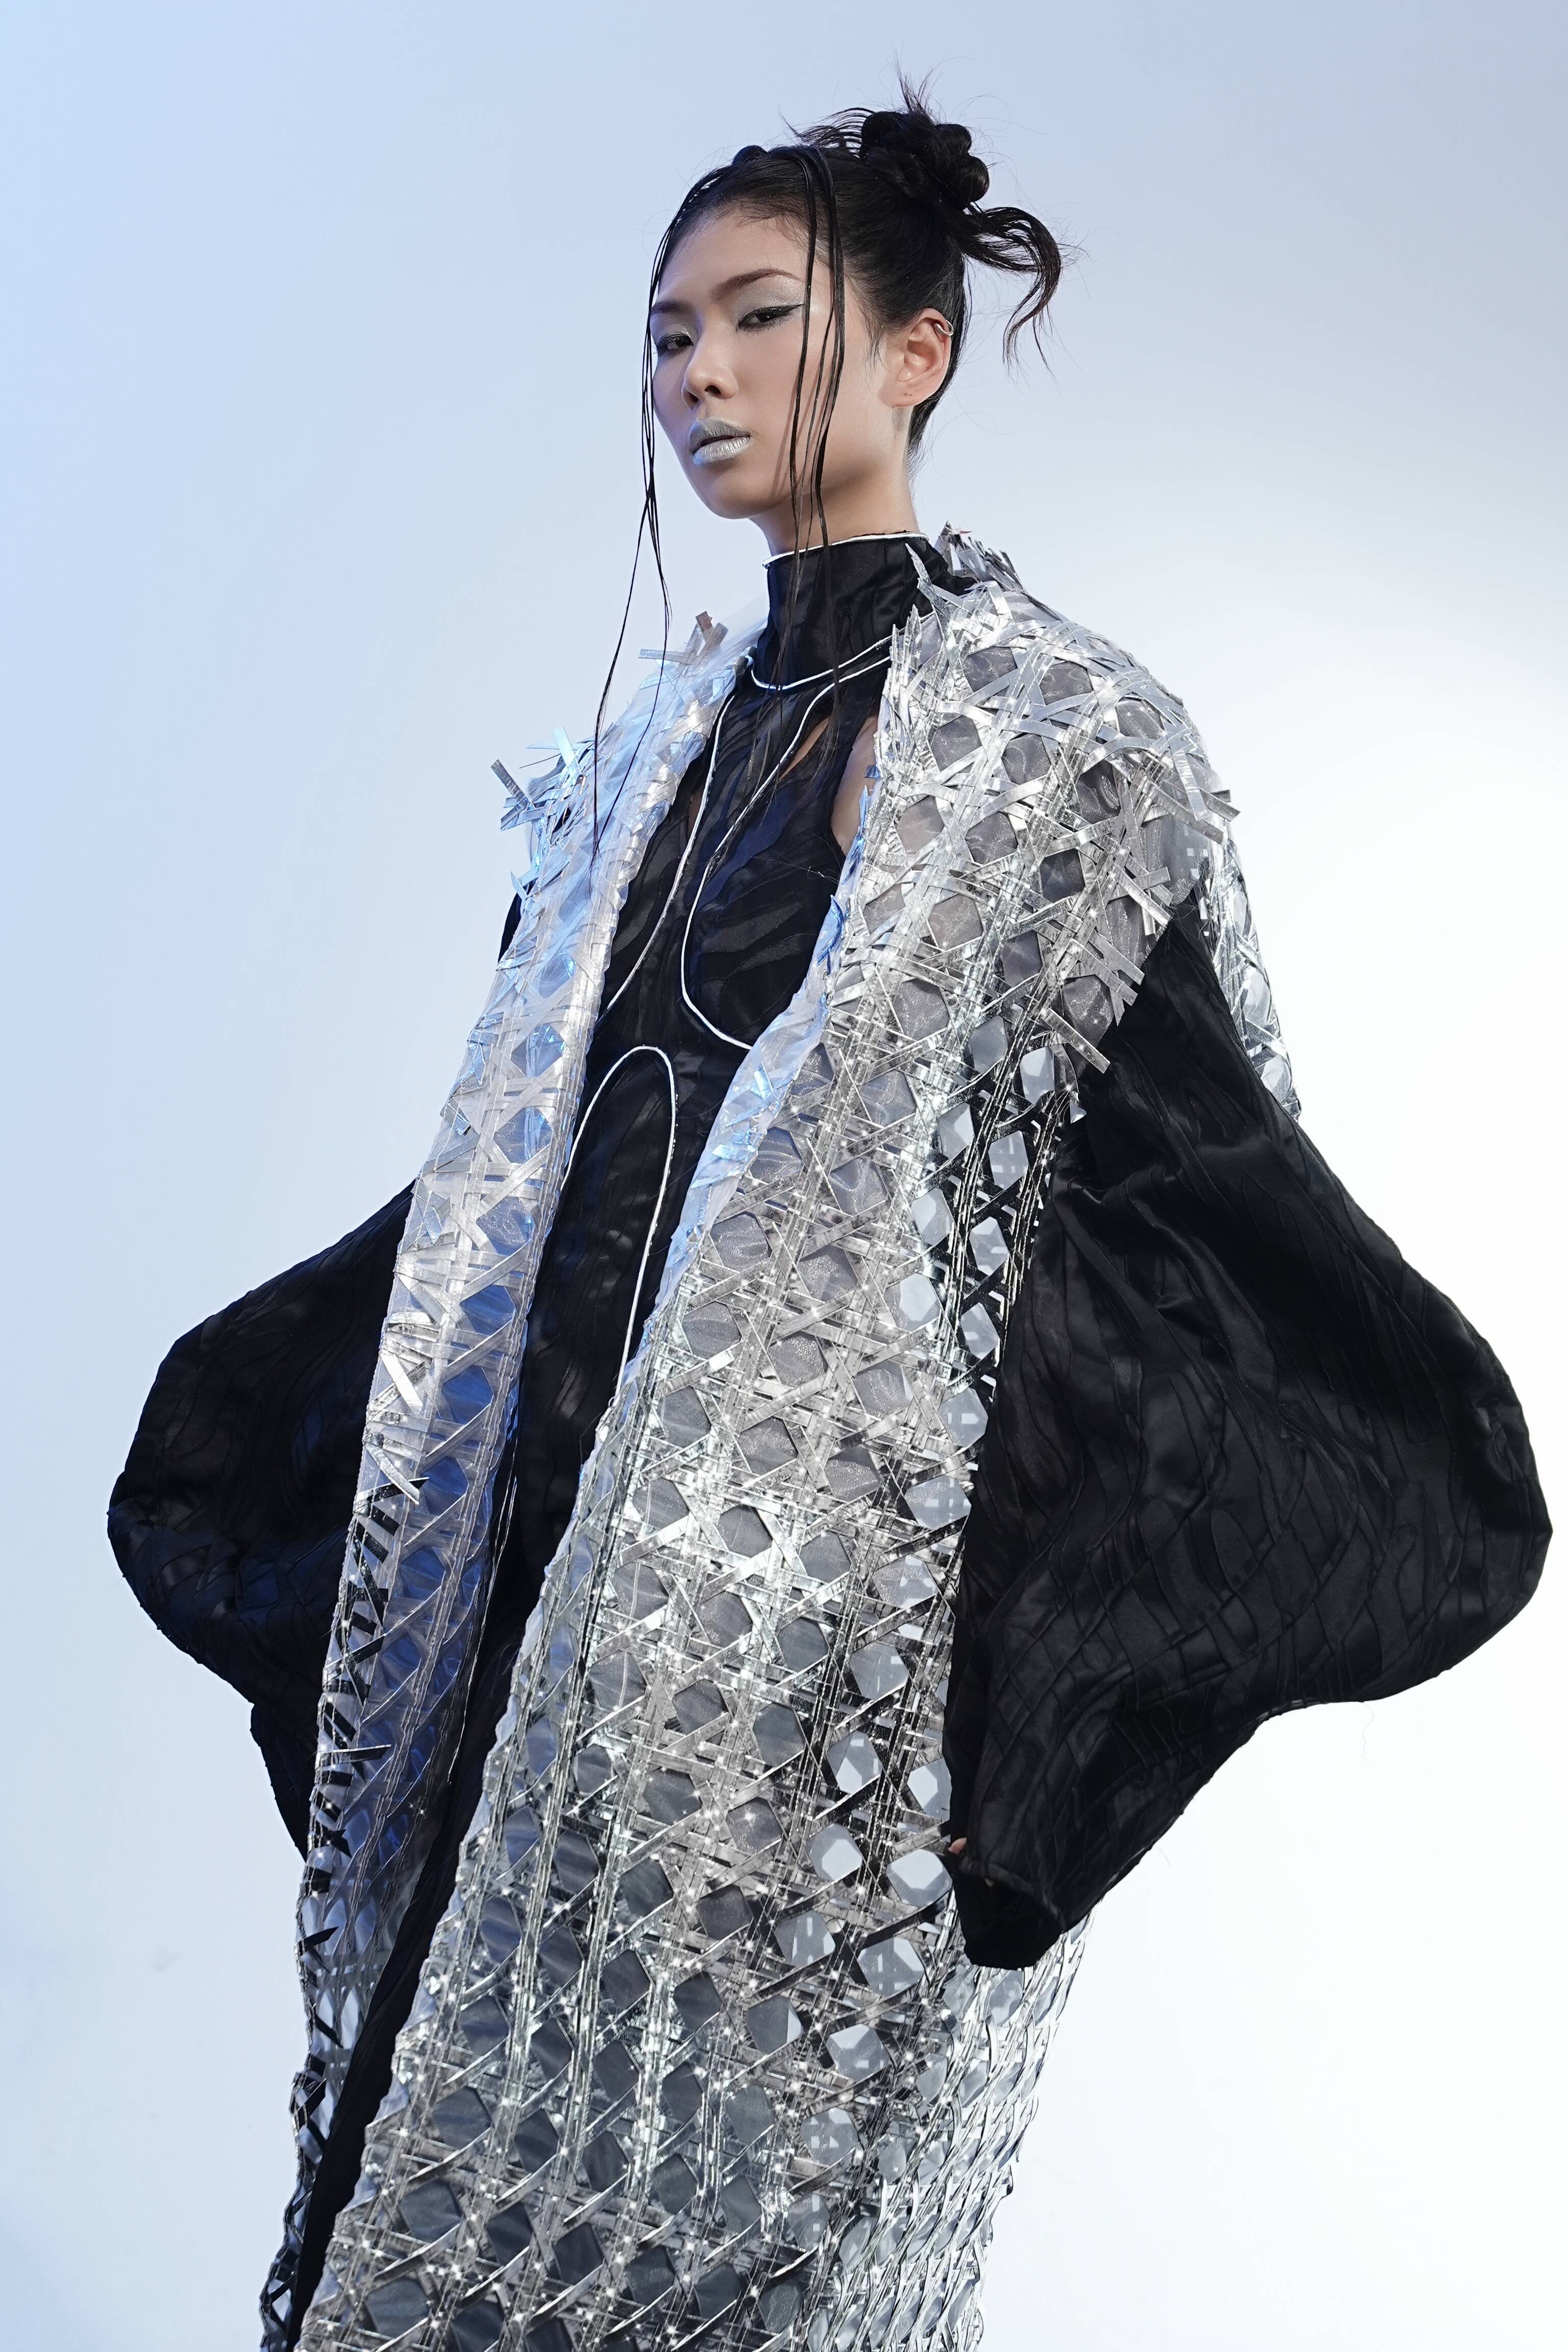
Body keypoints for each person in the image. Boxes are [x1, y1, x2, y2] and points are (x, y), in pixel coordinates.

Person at [109, 87, 1548, 2352]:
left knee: (728, 2243)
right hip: (529, 1628)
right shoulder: (640, 765)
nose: (696, 371)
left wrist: (1002, 1711)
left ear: (912, 349)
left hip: (787, 1694)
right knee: (422, 2175)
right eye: (665, 332)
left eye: (756, 317)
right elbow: (519, 1190)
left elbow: (1170, 1239)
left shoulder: (1050, 752)